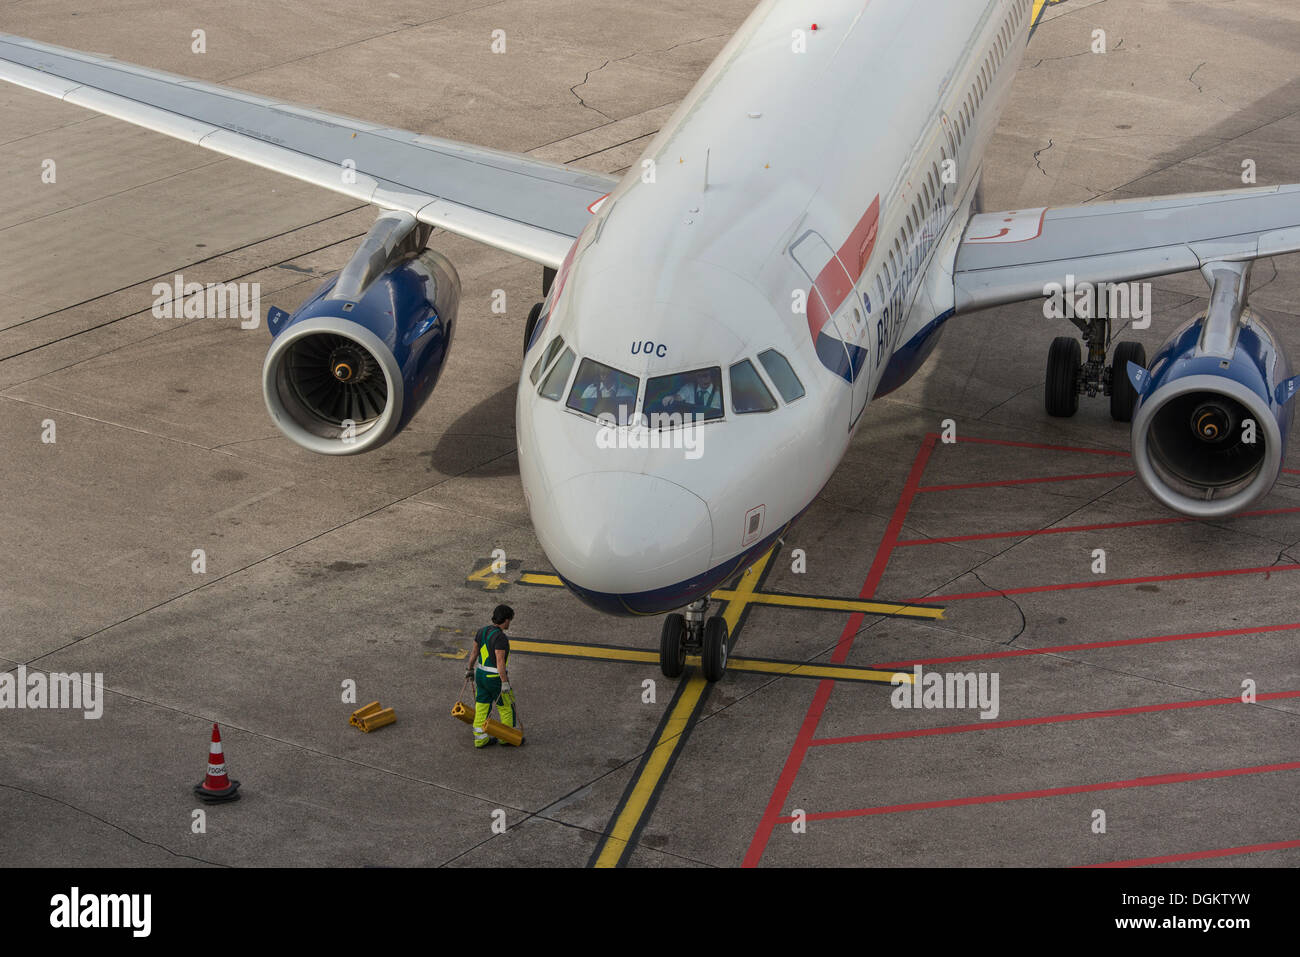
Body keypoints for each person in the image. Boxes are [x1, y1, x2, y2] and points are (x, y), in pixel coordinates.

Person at [464, 604, 521, 748]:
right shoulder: (501, 638)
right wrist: (505, 682)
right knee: (506, 706)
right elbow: (500, 661)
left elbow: (474, 653)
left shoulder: (481, 631)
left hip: (481, 675)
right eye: (510, 620)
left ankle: (480, 739)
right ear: (506, 620)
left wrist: (469, 669)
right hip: (494, 678)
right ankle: (505, 738)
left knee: (482, 706)